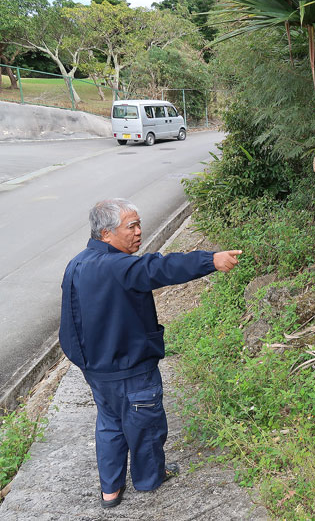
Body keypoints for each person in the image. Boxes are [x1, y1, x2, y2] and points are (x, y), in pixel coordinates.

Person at [58, 198, 242, 509]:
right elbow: (162, 268)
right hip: (131, 369)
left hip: (97, 371)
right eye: (131, 226)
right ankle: (148, 479)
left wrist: (84, 362)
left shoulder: (77, 264)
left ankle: (110, 492)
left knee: (110, 425)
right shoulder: (121, 267)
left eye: (139, 224)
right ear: (105, 234)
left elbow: (70, 322)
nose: (139, 232)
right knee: (146, 425)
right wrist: (211, 260)